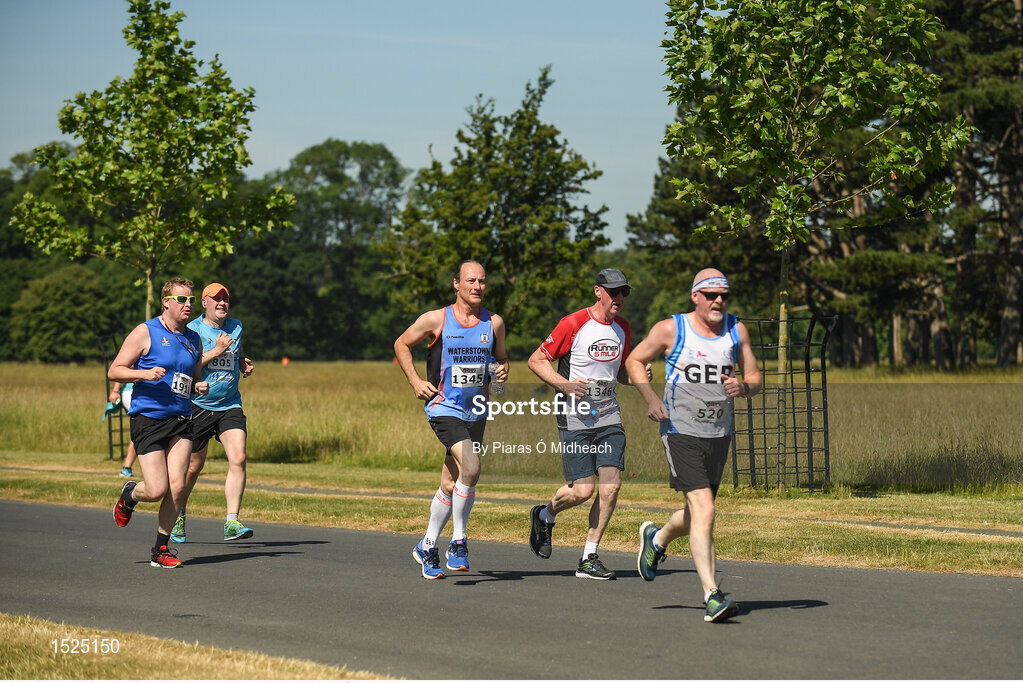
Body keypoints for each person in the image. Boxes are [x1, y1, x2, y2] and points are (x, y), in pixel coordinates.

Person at [625, 268, 761, 622]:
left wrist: (743, 387)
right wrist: (651, 399)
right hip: (680, 430)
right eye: (712, 295)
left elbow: (755, 376)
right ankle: (711, 595)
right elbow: (635, 360)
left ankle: (657, 538)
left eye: (724, 295)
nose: (719, 301)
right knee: (706, 509)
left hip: (719, 432)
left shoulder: (736, 329)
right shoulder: (672, 329)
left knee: (699, 513)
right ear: (695, 296)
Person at [526, 268, 648, 580]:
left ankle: (589, 557)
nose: (620, 297)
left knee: (611, 485)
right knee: (582, 491)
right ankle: (544, 514)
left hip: (608, 415)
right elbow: (536, 360)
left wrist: (636, 377)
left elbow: (620, 373)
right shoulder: (573, 323)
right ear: (598, 291)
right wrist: (563, 384)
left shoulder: (623, 328)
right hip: (574, 414)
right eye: (614, 291)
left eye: (624, 292)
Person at [394, 260, 508, 579]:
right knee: (471, 467)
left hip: (476, 411)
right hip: (444, 407)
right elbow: (401, 344)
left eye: (482, 281)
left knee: (451, 481)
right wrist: (416, 381)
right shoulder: (437, 319)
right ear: (456, 284)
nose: (477, 286)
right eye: (471, 280)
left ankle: (427, 545)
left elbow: (501, 361)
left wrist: (501, 372)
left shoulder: (494, 323)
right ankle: (458, 541)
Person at [108, 278, 209, 568]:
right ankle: (129, 494)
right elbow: (115, 371)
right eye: (181, 300)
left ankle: (161, 549)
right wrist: (144, 374)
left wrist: (198, 386)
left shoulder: (193, 338)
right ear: (166, 302)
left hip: (180, 419)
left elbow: (190, 378)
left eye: (190, 300)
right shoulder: (145, 331)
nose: (188, 304)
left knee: (177, 487)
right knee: (155, 490)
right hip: (149, 419)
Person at [170, 282, 256, 544]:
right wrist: (216, 351)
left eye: (225, 299)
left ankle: (231, 521)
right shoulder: (192, 330)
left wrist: (241, 362)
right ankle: (177, 514)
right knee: (194, 466)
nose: (222, 303)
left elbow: (235, 349)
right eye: (216, 299)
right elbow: (185, 364)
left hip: (229, 403)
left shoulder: (237, 326)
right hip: (198, 405)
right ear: (204, 303)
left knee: (238, 457)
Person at [107, 382, 137, 477]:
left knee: (142, 431)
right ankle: (126, 467)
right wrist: (115, 391)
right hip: (131, 391)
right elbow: (126, 367)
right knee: (142, 430)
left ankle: (126, 467)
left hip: (138, 391)